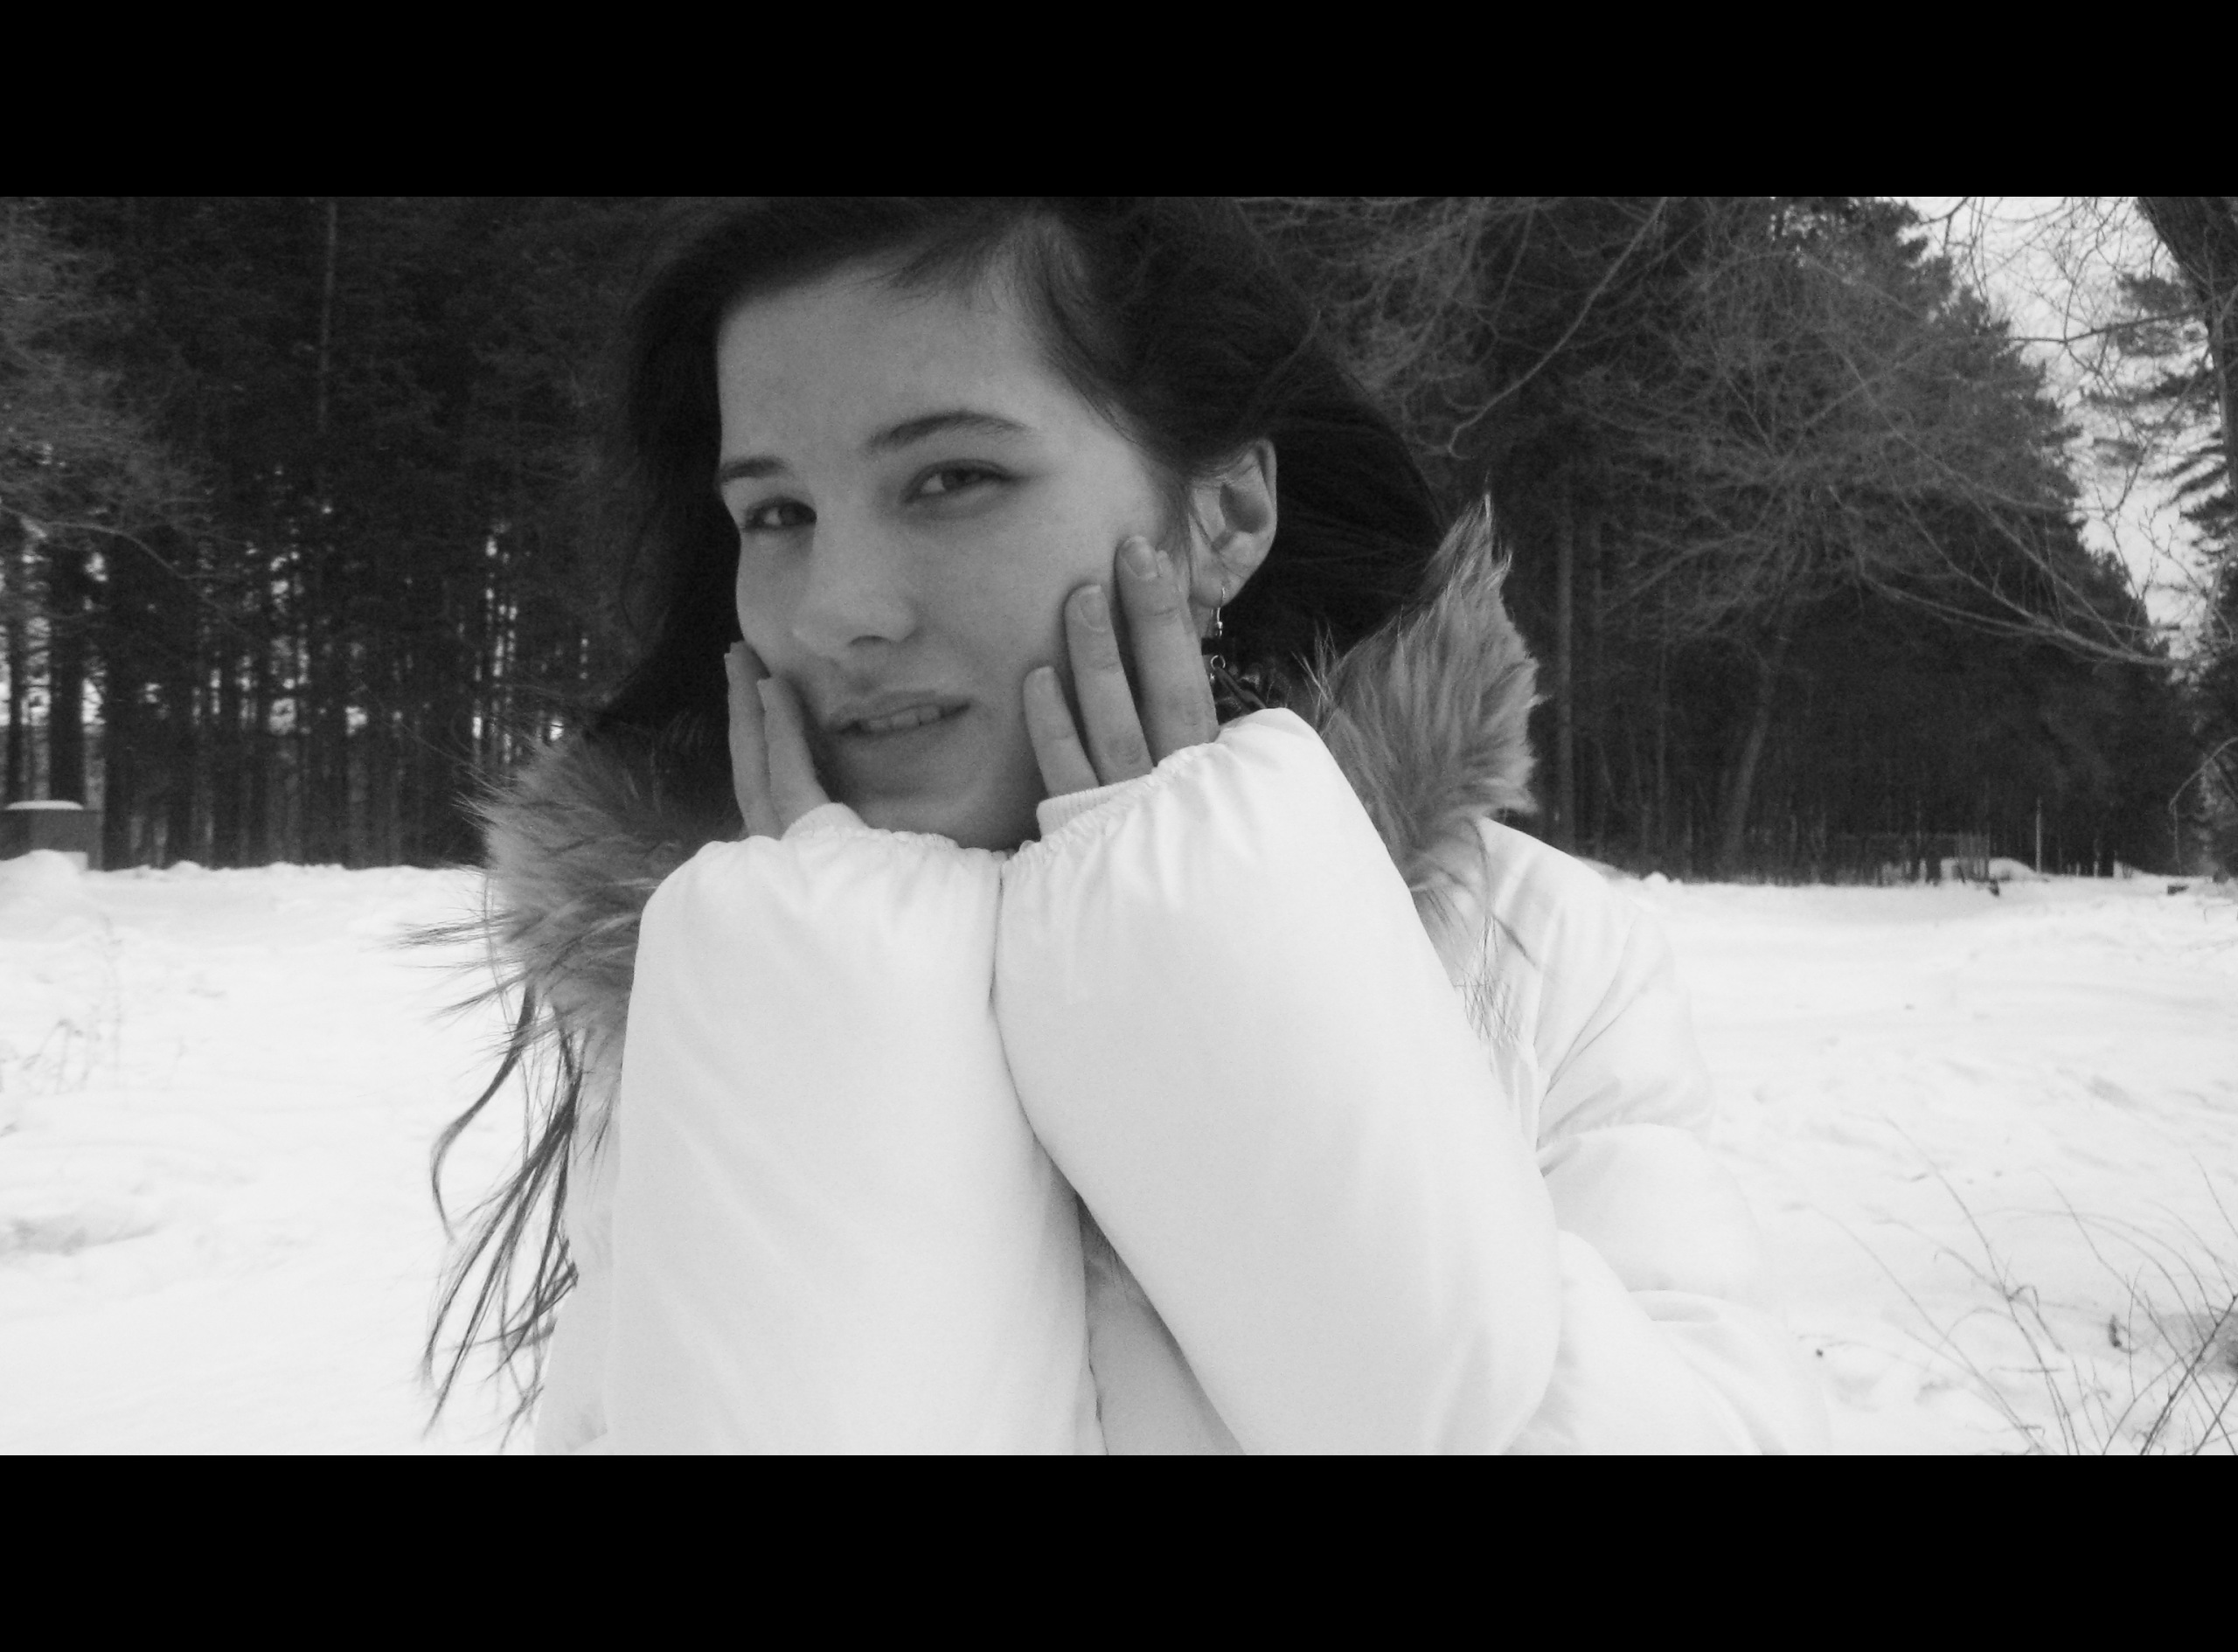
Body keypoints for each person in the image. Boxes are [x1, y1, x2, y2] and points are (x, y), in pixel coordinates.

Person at [436, 198, 1829, 1454]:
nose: (835, 607)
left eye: (951, 478)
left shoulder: (1525, 953)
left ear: (1224, 514)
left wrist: (1224, 966)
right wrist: (832, 1008)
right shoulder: (719, 996)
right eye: (778, 510)